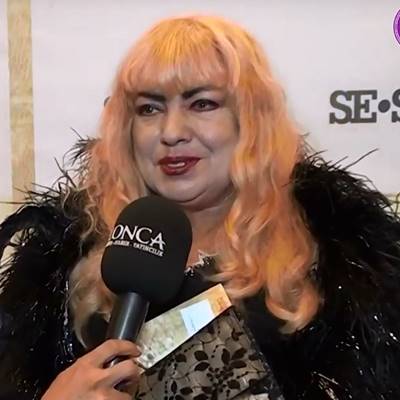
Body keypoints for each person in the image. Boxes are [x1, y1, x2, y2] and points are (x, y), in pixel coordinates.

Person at [1, 14, 400, 400]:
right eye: (149, 108)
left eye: (202, 104)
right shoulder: (65, 258)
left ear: (250, 119)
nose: (172, 132)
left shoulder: (339, 260)